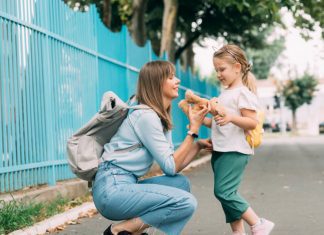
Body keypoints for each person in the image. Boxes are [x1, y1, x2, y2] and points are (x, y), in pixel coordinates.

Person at [92, 60, 211, 235]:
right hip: (112, 189)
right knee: (186, 202)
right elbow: (170, 166)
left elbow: (173, 166)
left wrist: (198, 145)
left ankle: (134, 232)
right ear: (156, 83)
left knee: (180, 184)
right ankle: (119, 230)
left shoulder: (157, 116)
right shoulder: (145, 116)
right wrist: (193, 130)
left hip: (124, 184)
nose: (177, 80)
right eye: (171, 77)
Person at [202, 44, 275, 235]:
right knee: (228, 193)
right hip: (221, 150)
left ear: (237, 67)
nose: (218, 73)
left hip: (235, 150)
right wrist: (202, 120)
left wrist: (231, 117)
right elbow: (221, 123)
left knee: (223, 191)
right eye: (216, 69)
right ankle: (237, 231)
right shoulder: (224, 94)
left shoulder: (243, 93)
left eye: (222, 69)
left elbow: (252, 122)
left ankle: (258, 223)